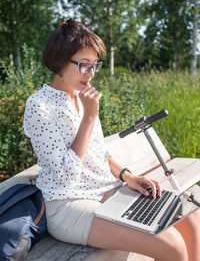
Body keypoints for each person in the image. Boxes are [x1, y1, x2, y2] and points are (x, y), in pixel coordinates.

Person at [23, 18, 200, 261]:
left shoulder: (82, 97)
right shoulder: (39, 105)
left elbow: (99, 152)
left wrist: (129, 177)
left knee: (191, 218)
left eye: (95, 65)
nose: (92, 73)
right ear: (60, 61)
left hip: (105, 188)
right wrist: (88, 118)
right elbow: (65, 176)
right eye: (84, 65)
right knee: (171, 246)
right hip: (68, 203)